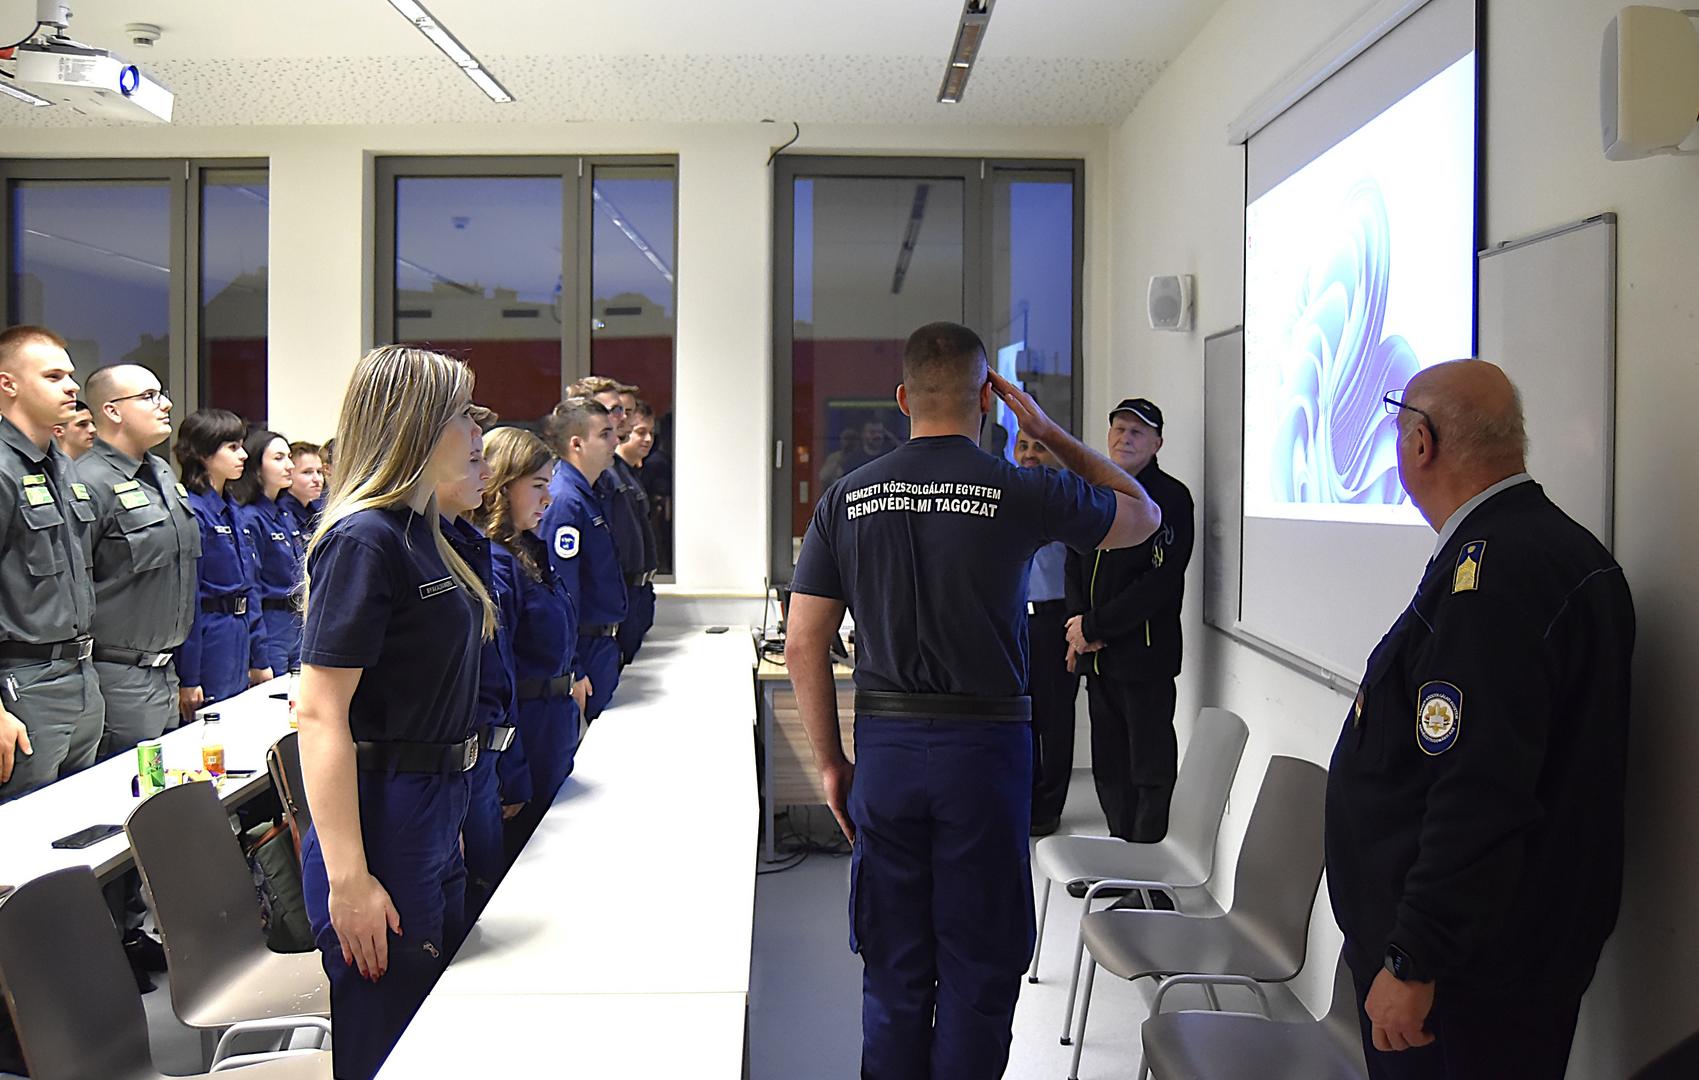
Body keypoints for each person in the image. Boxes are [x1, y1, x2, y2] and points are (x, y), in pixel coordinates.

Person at [786, 321, 1162, 1079]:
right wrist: (1047, 431)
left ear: (902, 398)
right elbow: (1142, 514)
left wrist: (830, 762)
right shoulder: (1018, 488)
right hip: (985, 759)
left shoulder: (846, 498)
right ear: (988, 399)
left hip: (887, 754)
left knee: (892, 964)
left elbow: (803, 644)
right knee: (979, 963)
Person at [1326, 360, 1634, 1080]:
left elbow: (1478, 792)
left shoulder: (1491, 580)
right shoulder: (1561, 550)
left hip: (1459, 985)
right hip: (1502, 960)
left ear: (1421, 443)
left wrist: (1413, 956)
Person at [295, 345, 496, 1080]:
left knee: (428, 1029)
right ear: (413, 426)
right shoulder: (365, 538)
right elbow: (319, 714)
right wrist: (349, 879)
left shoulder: (423, 535)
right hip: (383, 814)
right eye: (461, 415)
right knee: (388, 1039)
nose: (477, 432)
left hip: (433, 802)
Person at [1064, 397, 1194, 843]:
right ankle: (1119, 854)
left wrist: (1095, 627)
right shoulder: (1094, 491)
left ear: (1157, 443)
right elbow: (1074, 557)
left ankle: (1148, 867)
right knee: (1109, 768)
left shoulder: (1171, 498)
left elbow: (1160, 581)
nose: (1126, 438)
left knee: (1149, 769)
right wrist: (1078, 626)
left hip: (1145, 661)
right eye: (1119, 429)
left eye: (1137, 432)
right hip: (1098, 661)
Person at [0, 325, 104, 804]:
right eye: (53, 376)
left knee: (78, 826)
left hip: (80, 676)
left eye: (71, 376)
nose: (72, 387)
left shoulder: (60, 466)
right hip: (24, 683)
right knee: (22, 835)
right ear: (8, 384)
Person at [74, 365, 198, 759]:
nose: (166, 404)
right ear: (112, 410)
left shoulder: (160, 471)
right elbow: (73, 585)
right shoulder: (87, 480)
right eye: (149, 396)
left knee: (167, 787)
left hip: (164, 671)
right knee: (122, 791)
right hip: (115, 674)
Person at [479, 424, 583, 846]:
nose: (548, 498)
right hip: (528, 730)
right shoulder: (495, 563)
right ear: (503, 486)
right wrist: (512, 771)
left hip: (553, 723)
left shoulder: (529, 552)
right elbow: (498, 678)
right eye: (538, 485)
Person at [436, 408, 521, 918]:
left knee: (477, 912)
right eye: (474, 461)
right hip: (435, 778)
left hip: (470, 760)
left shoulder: (468, 544)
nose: (486, 473)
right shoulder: (381, 542)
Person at [174, 409, 271, 715]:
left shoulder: (233, 509)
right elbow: (188, 599)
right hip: (210, 635)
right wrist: (189, 676)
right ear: (203, 453)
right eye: (232, 447)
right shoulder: (192, 510)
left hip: (237, 633)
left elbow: (250, 587)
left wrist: (259, 657)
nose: (243, 455)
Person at [541, 397, 625, 721]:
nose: (615, 440)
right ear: (576, 444)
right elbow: (561, 592)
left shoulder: (588, 493)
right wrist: (573, 664)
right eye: (604, 434)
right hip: (585, 648)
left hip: (601, 645)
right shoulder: (565, 501)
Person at [1015, 425, 1077, 837]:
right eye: (1023, 446)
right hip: (1014, 619)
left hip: (1055, 620)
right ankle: (1022, 799)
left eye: (1039, 447)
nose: (1030, 454)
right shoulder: (1007, 495)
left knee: (1054, 720)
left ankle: (1048, 808)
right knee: (1020, 716)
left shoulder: (1068, 499)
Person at [569, 376, 651, 669]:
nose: (623, 418)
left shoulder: (611, 472)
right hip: (593, 627)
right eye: (615, 410)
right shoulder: (575, 491)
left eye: (625, 411)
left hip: (622, 605)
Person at [233, 429, 306, 678]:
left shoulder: (284, 514)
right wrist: (259, 652)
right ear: (256, 467)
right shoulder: (250, 517)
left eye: (289, 457)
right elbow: (251, 586)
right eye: (278, 458)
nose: (289, 466)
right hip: (270, 622)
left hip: (296, 619)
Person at [614, 398, 659, 664]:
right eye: (641, 432)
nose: (648, 439)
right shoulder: (612, 477)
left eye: (651, 433)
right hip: (626, 590)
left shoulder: (632, 475)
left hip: (640, 590)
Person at [283, 440, 326, 531]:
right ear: (288, 474)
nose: (317, 479)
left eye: (319, 472)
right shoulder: (281, 516)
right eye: (307, 472)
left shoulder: (315, 512)